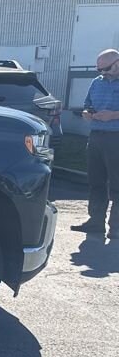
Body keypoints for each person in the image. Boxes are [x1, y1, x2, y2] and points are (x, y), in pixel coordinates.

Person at [71, 49, 119, 238]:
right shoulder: (96, 83)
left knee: (117, 183)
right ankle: (96, 221)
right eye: (99, 69)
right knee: (96, 181)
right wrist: (87, 113)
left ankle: (116, 227)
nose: (102, 73)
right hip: (96, 136)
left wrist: (113, 115)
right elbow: (87, 104)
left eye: (105, 69)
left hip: (116, 137)